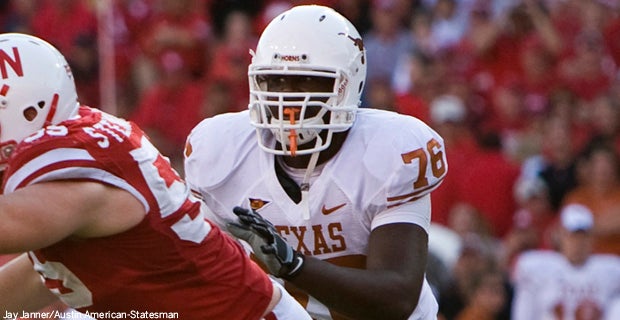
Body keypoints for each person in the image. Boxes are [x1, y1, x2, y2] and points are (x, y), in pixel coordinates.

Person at [0, 33, 310, 320]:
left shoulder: (76, 177)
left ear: (28, 110)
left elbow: (12, 225)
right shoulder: (77, 147)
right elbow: (51, 271)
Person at [184, 5, 447, 320]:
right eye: (276, 82)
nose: (288, 98)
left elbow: (397, 298)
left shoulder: (390, 150)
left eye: (306, 81)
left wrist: (294, 265)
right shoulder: (221, 152)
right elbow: (197, 275)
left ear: (347, 85)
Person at [511, 204, 620, 320]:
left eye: (583, 237)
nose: (578, 242)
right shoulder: (536, 266)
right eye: (573, 236)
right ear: (560, 235)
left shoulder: (611, 269)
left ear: (592, 238)